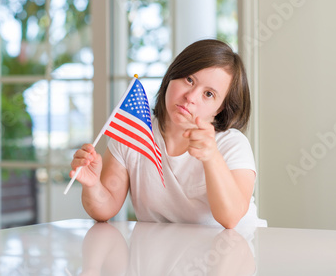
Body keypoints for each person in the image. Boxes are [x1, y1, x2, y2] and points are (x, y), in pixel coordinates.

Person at [70, 39, 266, 229]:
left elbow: (230, 219)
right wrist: (93, 184)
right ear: (172, 76)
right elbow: (105, 208)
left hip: (233, 253)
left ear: (220, 108)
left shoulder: (232, 144)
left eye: (208, 94)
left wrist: (211, 157)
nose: (190, 97)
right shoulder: (135, 132)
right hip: (165, 253)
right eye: (189, 80)